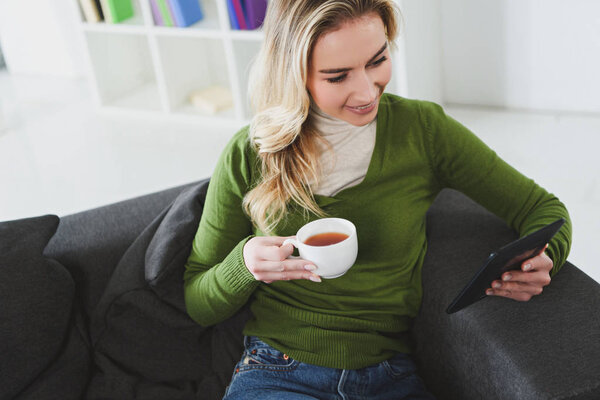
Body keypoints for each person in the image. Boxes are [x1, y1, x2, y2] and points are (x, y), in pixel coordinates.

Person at [183, 1, 572, 399]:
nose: (367, 91)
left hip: (390, 376)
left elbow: (544, 209)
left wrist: (547, 257)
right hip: (278, 371)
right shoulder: (250, 154)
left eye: (377, 60)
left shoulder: (422, 131)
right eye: (338, 76)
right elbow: (198, 299)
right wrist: (244, 264)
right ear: (294, 75)